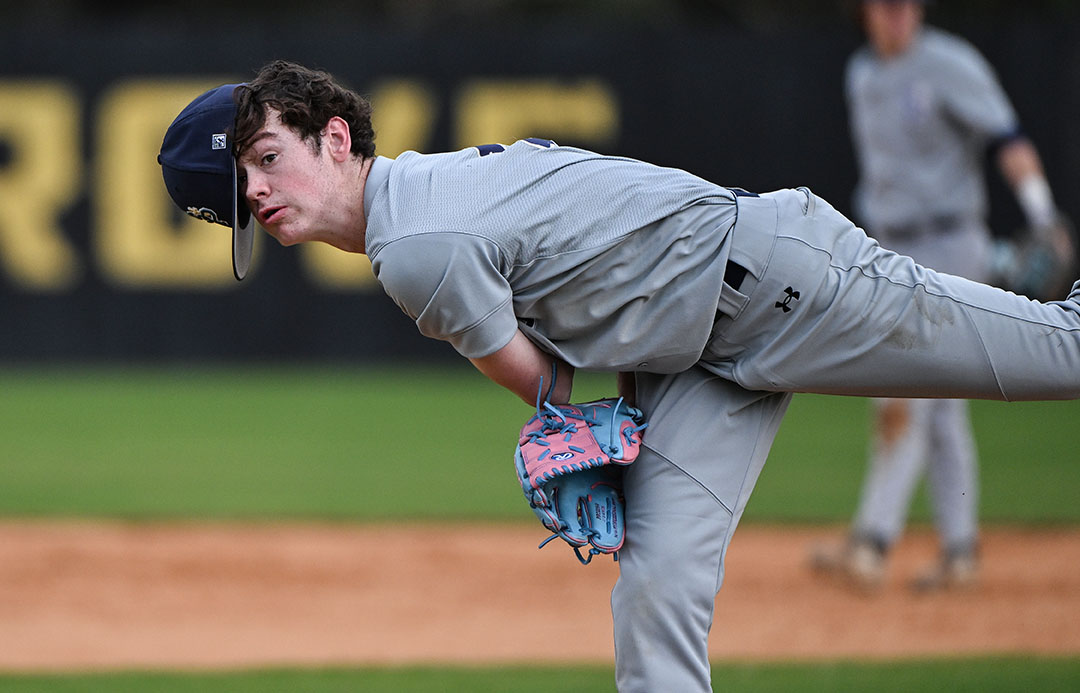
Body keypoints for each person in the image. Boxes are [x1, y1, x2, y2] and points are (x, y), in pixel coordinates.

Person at [158, 60, 1080, 693]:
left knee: (1059, 351)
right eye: (243, 194)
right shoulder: (418, 194)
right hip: (692, 362)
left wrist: (587, 427)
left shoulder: (412, 248)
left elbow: (550, 387)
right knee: (657, 589)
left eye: (267, 160)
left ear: (333, 137)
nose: (263, 194)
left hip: (779, 283)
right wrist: (610, 417)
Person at [809, 0, 1073, 594]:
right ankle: (960, 551)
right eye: (886, 5)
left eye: (907, 4)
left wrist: (1041, 214)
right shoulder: (863, 74)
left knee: (904, 390)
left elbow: (1008, 136)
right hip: (894, 247)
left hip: (951, 243)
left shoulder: (949, 63)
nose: (898, 14)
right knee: (944, 406)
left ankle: (873, 543)